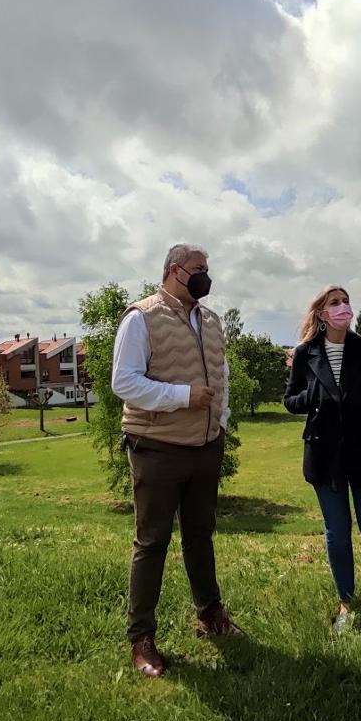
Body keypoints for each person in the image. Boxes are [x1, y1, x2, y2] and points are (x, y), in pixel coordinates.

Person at [112, 243, 241, 679]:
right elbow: (124, 382)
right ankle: (142, 637)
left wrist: (219, 421)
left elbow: (220, 377)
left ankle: (210, 614)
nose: (206, 275)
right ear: (174, 271)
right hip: (157, 447)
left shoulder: (211, 320)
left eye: (208, 268)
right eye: (199, 269)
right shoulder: (141, 317)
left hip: (206, 445)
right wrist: (182, 397)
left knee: (201, 535)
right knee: (152, 543)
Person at [284, 285, 361, 633]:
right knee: (337, 532)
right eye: (334, 302)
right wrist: (314, 394)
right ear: (322, 313)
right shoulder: (306, 353)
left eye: (346, 301)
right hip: (324, 454)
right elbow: (291, 401)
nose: (343, 307)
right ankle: (346, 603)